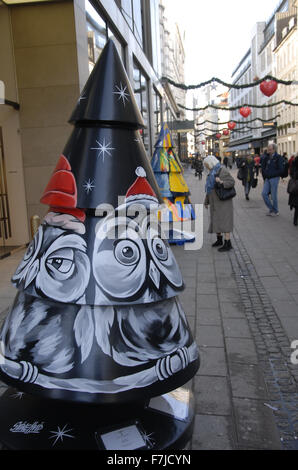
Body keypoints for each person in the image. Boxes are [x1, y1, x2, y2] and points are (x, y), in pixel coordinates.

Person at [203, 154, 235, 252]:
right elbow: (209, 189)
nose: (206, 166)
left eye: (207, 164)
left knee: (225, 222)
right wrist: (206, 201)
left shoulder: (222, 170)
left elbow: (231, 182)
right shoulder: (211, 172)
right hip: (215, 202)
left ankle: (228, 243)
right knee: (216, 221)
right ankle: (219, 240)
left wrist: (221, 182)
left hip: (223, 202)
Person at [261, 143, 284, 216]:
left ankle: (275, 210)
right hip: (267, 178)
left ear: (274, 150)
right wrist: (265, 173)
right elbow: (263, 166)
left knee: (273, 195)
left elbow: (281, 170)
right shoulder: (267, 157)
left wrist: (272, 174)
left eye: (270, 149)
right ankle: (271, 209)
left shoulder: (278, 157)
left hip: (274, 178)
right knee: (264, 193)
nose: (269, 151)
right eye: (268, 149)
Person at [288, 154, 298, 226]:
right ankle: (295, 220)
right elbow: (292, 172)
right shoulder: (295, 161)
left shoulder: (295, 160)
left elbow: (291, 172)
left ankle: (295, 220)